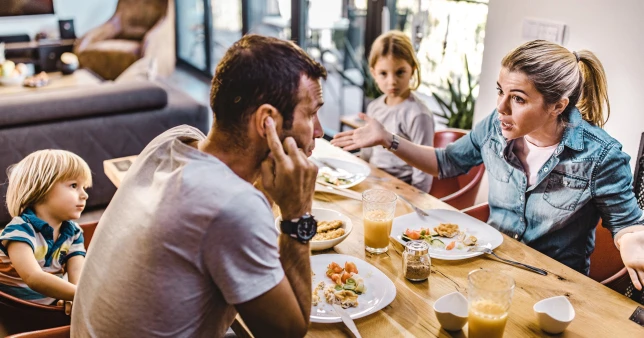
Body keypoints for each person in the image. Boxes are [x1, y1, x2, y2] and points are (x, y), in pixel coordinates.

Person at [332, 40, 644, 289]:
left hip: (554, 288)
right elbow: (446, 162)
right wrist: (388, 138)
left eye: (518, 99)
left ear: (557, 106)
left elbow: (627, 224)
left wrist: (631, 242)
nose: (501, 107)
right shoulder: (496, 127)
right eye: (500, 91)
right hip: (488, 267)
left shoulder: (601, 156)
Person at [72, 34, 326, 337]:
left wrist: (270, 191)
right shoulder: (231, 206)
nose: (320, 131)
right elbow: (288, 332)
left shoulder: (171, 141)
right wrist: (298, 215)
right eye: (311, 114)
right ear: (266, 122)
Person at [0, 149, 91, 315]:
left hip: (50, 302)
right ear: (41, 187)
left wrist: (74, 295)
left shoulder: (74, 232)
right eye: (73, 186)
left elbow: (78, 275)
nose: (84, 195)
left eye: (84, 187)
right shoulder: (20, 231)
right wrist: (83, 296)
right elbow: (34, 277)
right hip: (18, 311)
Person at [358, 30, 434, 192]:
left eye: (400, 72)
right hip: (373, 181)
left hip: (402, 188)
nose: (392, 82)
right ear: (373, 73)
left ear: (412, 69)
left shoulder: (418, 114)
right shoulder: (374, 107)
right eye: (383, 74)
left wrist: (417, 200)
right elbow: (367, 152)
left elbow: (424, 168)